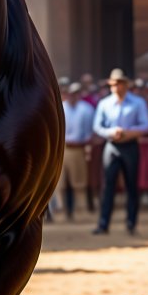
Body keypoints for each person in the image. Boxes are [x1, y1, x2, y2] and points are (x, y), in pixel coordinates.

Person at [92, 68, 148, 235]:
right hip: (111, 146)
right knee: (108, 186)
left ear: (125, 85)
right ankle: (103, 224)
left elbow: (146, 125)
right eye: (113, 84)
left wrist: (128, 132)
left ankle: (131, 223)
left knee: (131, 185)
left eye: (118, 83)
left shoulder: (138, 103)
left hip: (130, 145)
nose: (115, 87)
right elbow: (97, 126)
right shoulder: (104, 103)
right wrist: (111, 132)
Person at [58, 82, 94, 220]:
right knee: (61, 183)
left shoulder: (87, 109)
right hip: (63, 149)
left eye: (75, 93)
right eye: (71, 93)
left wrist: (87, 144)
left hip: (79, 148)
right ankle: (63, 211)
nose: (73, 96)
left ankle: (80, 211)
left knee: (79, 182)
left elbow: (90, 131)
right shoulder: (61, 107)